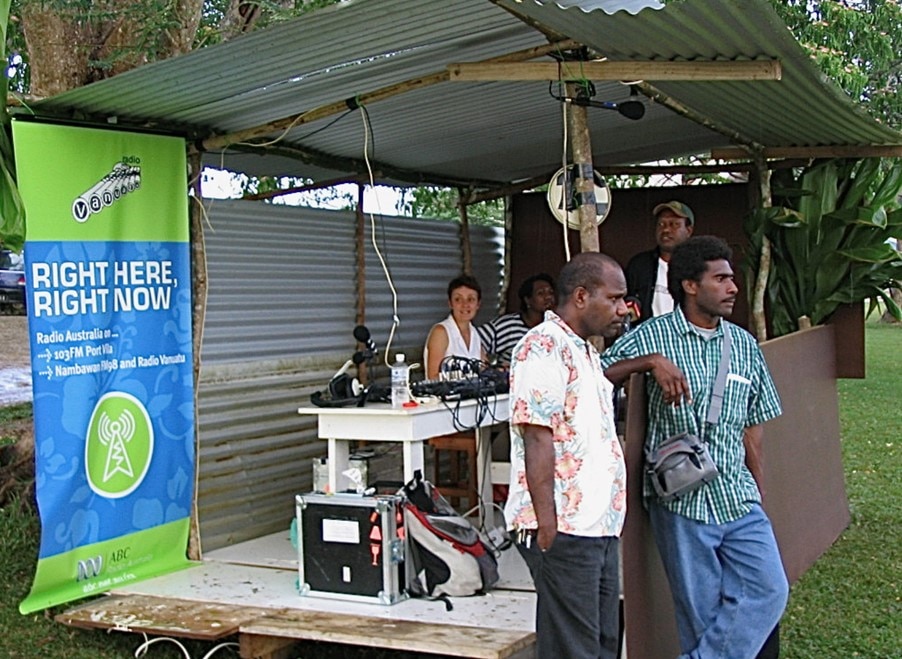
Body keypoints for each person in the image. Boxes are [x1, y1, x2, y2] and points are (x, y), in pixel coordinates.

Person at [601, 236, 788, 659]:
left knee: (770, 589)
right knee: (700, 614)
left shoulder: (743, 346)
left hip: (739, 500)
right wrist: (648, 362)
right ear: (689, 285)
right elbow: (598, 373)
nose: (733, 287)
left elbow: (754, 428)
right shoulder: (655, 336)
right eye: (720, 279)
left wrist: (758, 493)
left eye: (732, 278)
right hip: (682, 501)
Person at [504, 252, 628, 659]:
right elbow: (537, 437)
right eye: (614, 299)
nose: (623, 309)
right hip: (566, 529)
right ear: (580, 296)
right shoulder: (542, 347)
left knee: (603, 642)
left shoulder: (584, 351)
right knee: (573, 648)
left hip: (599, 527)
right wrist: (547, 526)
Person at [624, 200, 694, 325]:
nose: (666, 229)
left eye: (674, 224)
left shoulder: (697, 268)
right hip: (646, 339)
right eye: (661, 224)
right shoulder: (639, 265)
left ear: (689, 230)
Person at [477, 273, 555, 366]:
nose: (548, 297)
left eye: (551, 292)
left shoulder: (557, 328)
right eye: (540, 293)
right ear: (527, 300)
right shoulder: (507, 326)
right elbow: (473, 342)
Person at [424, 274, 485, 379]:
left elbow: (484, 369)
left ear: (478, 304)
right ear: (450, 303)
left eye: (470, 299)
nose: (465, 304)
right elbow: (432, 377)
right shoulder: (441, 332)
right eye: (458, 299)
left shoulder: (474, 333)